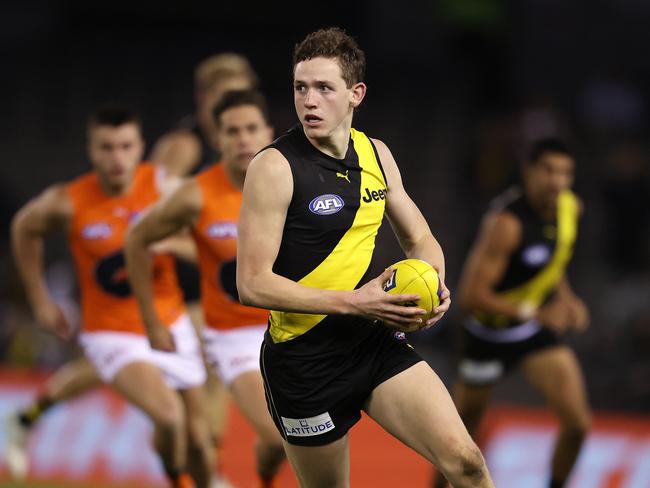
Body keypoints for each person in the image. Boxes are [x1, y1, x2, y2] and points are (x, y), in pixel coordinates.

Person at [235, 27, 494, 488]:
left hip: (369, 342)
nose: (309, 101)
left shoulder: (377, 155)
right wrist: (357, 302)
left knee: (468, 463)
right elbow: (252, 284)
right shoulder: (273, 167)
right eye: (300, 88)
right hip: (303, 363)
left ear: (356, 94)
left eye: (323, 88)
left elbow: (421, 238)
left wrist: (434, 285)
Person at [9, 106, 213, 488]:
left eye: (124, 147)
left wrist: (170, 241)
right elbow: (23, 227)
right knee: (169, 417)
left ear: (140, 148)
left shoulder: (164, 190)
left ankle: (27, 417)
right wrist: (39, 299)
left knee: (198, 440)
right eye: (106, 148)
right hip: (112, 333)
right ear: (91, 150)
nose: (116, 158)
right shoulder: (69, 201)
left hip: (171, 322)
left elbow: (202, 245)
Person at [125, 89, 286, 488]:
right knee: (280, 433)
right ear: (217, 139)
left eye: (251, 129)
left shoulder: (293, 185)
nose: (243, 139)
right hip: (234, 336)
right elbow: (136, 239)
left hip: (289, 324)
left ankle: (262, 472)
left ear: (268, 132)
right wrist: (149, 318)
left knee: (290, 441)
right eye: (232, 131)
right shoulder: (196, 195)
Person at [436, 138, 591, 488]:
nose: (557, 180)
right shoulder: (506, 223)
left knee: (578, 423)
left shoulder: (571, 208)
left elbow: (554, 258)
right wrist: (535, 312)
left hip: (530, 331)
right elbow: (473, 295)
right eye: (549, 170)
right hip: (486, 335)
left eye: (565, 172)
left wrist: (567, 298)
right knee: (459, 440)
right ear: (529, 172)